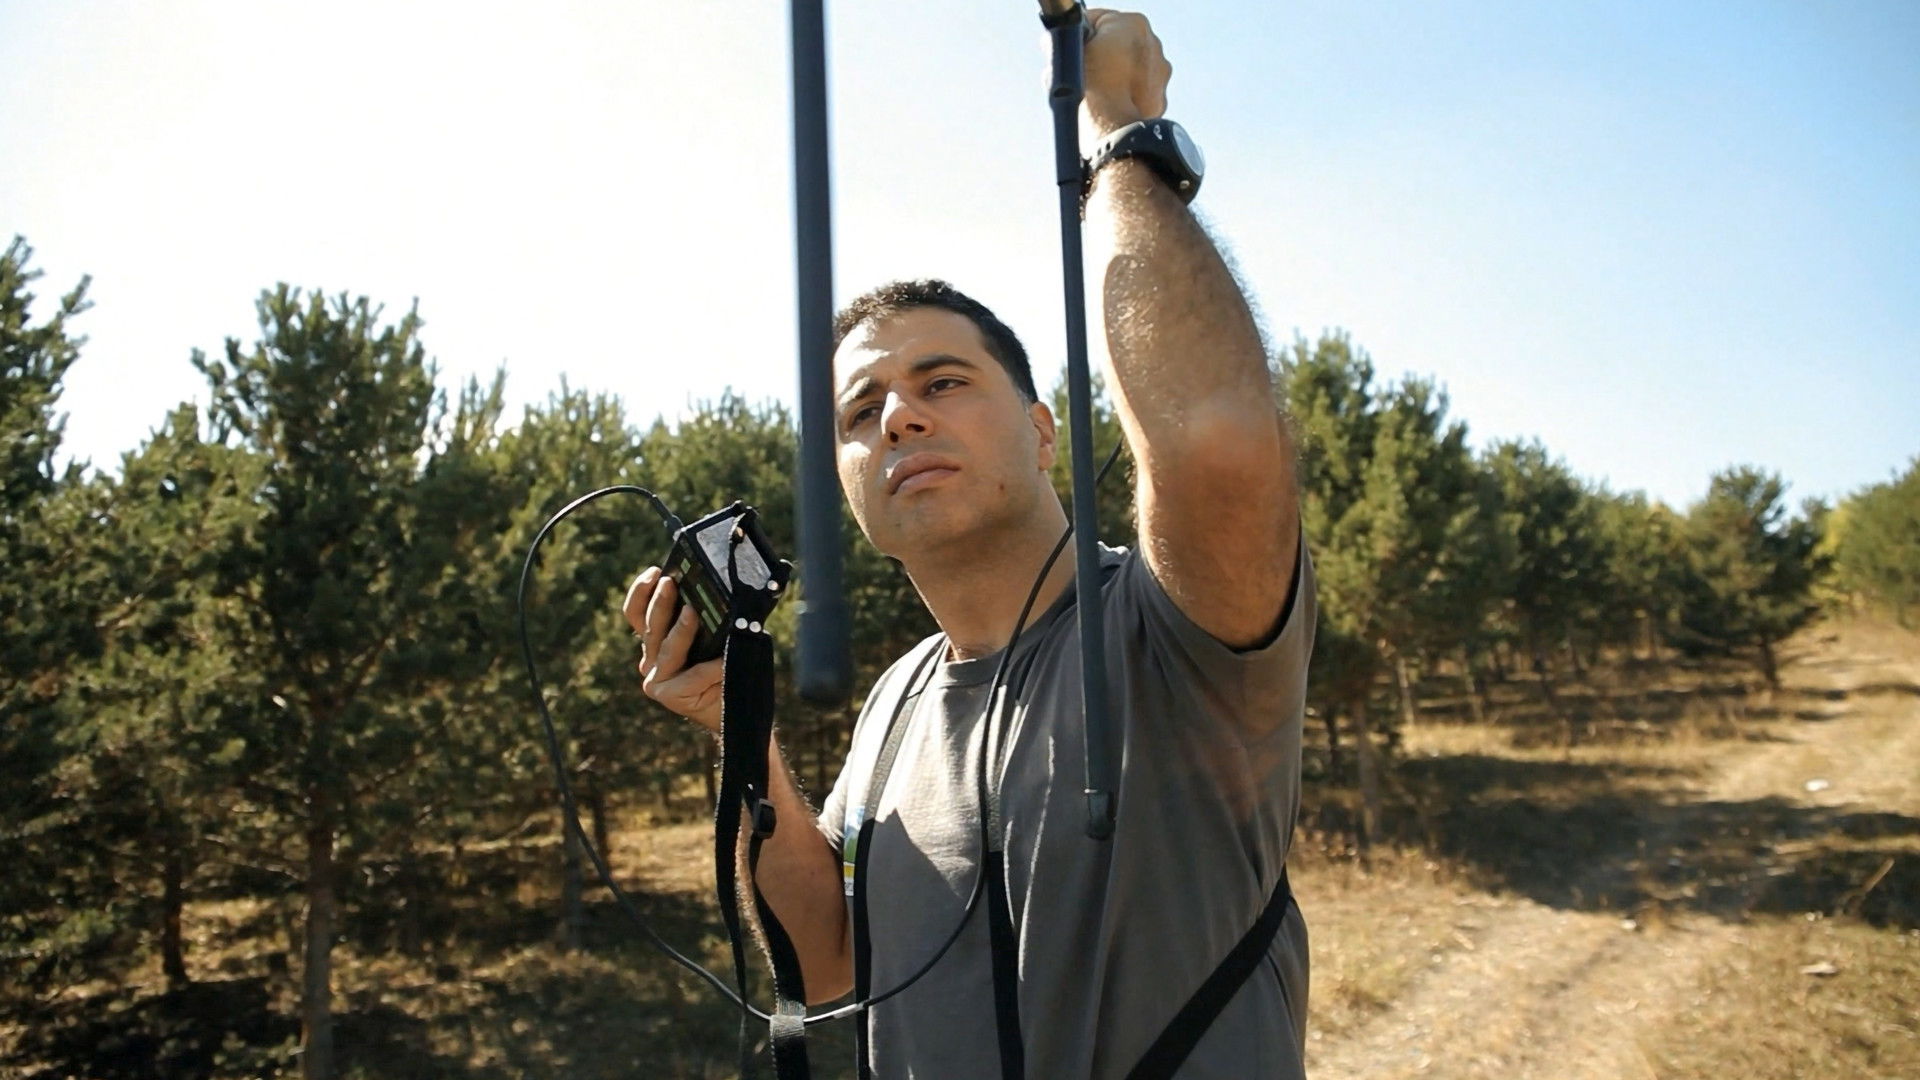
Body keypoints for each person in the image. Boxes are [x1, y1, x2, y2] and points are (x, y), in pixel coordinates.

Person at [623, 8, 1312, 1077]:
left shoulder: (1172, 630)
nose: (897, 416)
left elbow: (1218, 442)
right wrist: (738, 726)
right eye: (861, 414)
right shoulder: (895, 707)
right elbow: (831, 957)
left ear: (1044, 431)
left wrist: (1118, 132)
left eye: (943, 383)